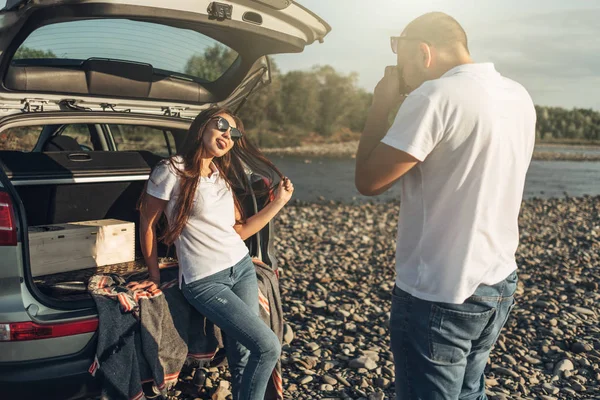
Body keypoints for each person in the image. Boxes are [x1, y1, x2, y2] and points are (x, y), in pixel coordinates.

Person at [354, 12, 536, 400]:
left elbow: (369, 181)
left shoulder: (434, 96)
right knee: (470, 392)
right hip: (497, 280)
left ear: (424, 52)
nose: (402, 72)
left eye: (401, 59)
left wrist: (380, 105)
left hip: (440, 290)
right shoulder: (518, 94)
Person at [137, 107, 294, 400]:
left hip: (241, 267)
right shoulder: (171, 170)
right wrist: (154, 275)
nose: (227, 135)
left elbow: (241, 230)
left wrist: (280, 202)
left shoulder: (220, 175)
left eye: (234, 133)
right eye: (222, 125)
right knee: (268, 346)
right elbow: (147, 222)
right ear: (201, 127)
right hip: (204, 281)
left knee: (244, 353)